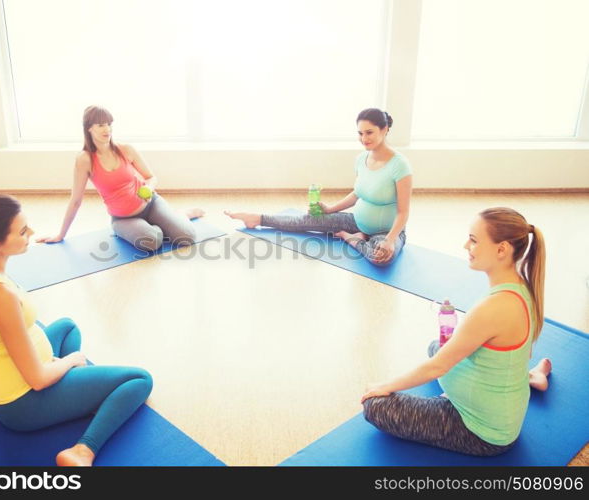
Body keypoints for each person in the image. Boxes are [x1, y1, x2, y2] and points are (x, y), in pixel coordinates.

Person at [0, 195, 153, 466]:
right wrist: (67, 362)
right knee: (138, 380)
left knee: (67, 327)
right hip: (20, 404)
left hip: (12, 381)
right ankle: (82, 451)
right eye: (22, 232)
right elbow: (38, 380)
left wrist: (56, 363)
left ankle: (81, 397)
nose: (30, 233)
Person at [361, 207, 550, 456]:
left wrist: (383, 386)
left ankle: (526, 380)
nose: (465, 246)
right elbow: (520, 352)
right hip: (500, 401)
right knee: (435, 346)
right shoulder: (523, 287)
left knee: (375, 406)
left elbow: (436, 368)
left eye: (473, 240)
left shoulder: (493, 307)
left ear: (501, 249)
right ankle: (531, 378)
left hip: (482, 431)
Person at [225, 108, 412, 266]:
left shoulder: (400, 165)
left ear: (385, 129)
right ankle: (257, 219)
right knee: (307, 220)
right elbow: (357, 194)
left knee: (381, 259)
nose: (364, 138)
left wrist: (389, 240)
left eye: (369, 132)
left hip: (387, 231)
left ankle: (349, 237)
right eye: (360, 133)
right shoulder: (361, 159)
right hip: (357, 220)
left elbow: (403, 212)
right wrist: (330, 209)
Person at [38, 105, 205, 251]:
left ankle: (180, 215)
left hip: (151, 204)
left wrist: (148, 188)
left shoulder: (126, 149)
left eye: (109, 124)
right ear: (89, 128)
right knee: (151, 242)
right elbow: (75, 201)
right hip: (123, 218)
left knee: (187, 237)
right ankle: (159, 226)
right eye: (101, 125)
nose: (107, 129)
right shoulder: (84, 160)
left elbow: (151, 177)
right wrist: (61, 234)